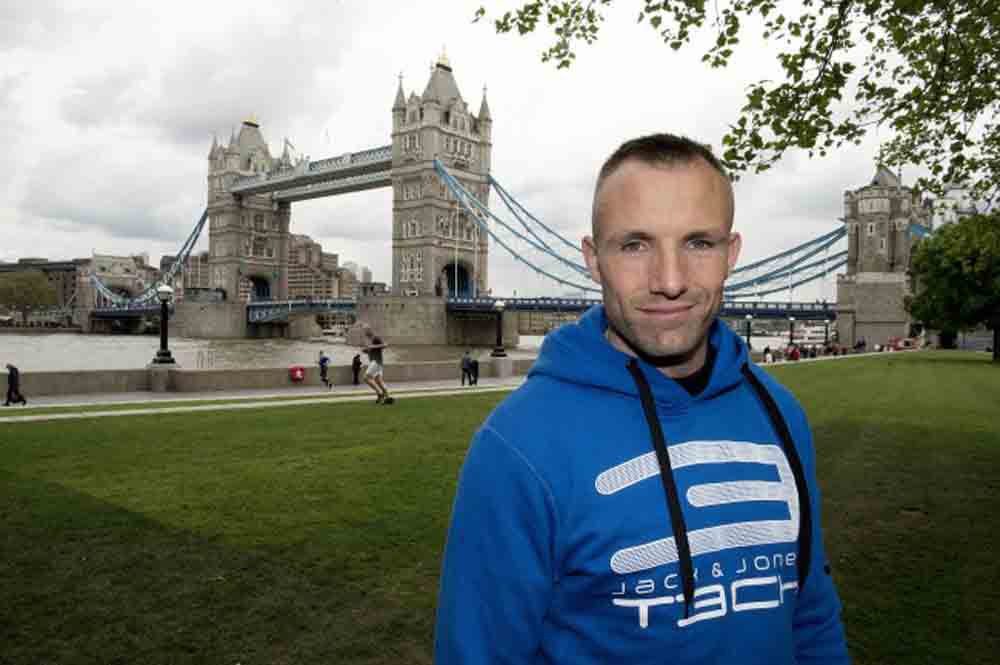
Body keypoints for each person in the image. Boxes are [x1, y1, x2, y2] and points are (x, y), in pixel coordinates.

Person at [435, 134, 850, 664]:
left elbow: (811, 617)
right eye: (635, 244)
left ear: (731, 253)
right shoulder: (517, 448)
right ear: (593, 259)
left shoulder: (782, 413)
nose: (670, 281)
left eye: (698, 243)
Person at [362, 327, 394, 405]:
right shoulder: (369, 340)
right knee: (379, 381)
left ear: (370, 331)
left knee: (366, 378)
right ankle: (388, 398)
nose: (365, 332)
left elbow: (385, 345)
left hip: (376, 361)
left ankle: (380, 393)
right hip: (377, 362)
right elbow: (372, 350)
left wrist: (372, 347)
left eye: (366, 331)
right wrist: (366, 351)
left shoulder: (376, 338)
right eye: (365, 331)